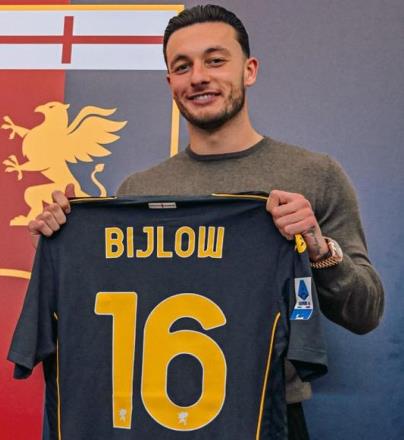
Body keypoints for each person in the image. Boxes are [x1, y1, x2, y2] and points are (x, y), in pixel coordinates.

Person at [26, 5, 384, 439]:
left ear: (249, 70)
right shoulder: (139, 190)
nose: (198, 77)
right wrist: (64, 241)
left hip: (266, 414)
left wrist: (319, 248)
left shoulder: (314, 175)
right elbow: (111, 308)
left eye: (215, 60)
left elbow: (365, 312)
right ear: (170, 83)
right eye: (182, 66)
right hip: (154, 415)